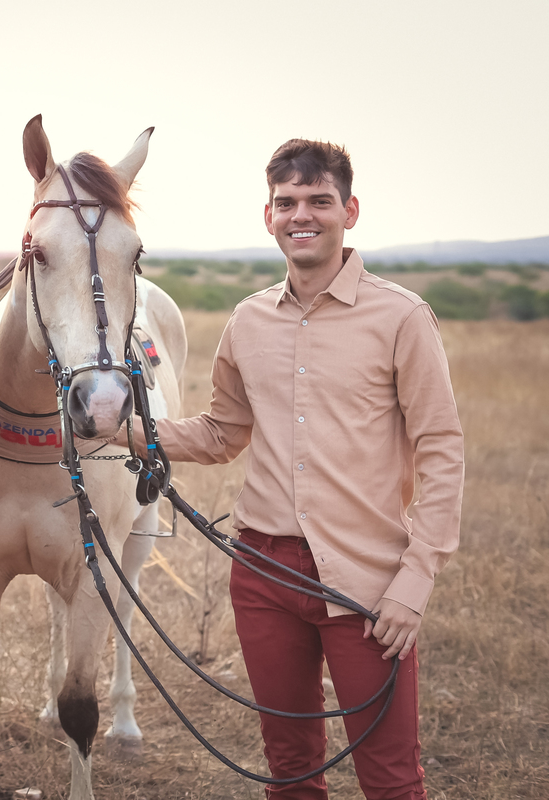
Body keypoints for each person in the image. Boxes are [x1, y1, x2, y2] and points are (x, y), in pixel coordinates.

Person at [137, 141, 464, 799]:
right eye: (287, 203)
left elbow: (442, 453)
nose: (302, 215)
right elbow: (223, 434)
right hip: (261, 572)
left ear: (350, 210)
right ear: (268, 216)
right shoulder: (248, 320)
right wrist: (128, 430)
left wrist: (414, 581)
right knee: (290, 771)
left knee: (392, 778)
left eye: (319, 201)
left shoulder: (402, 317)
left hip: (366, 582)